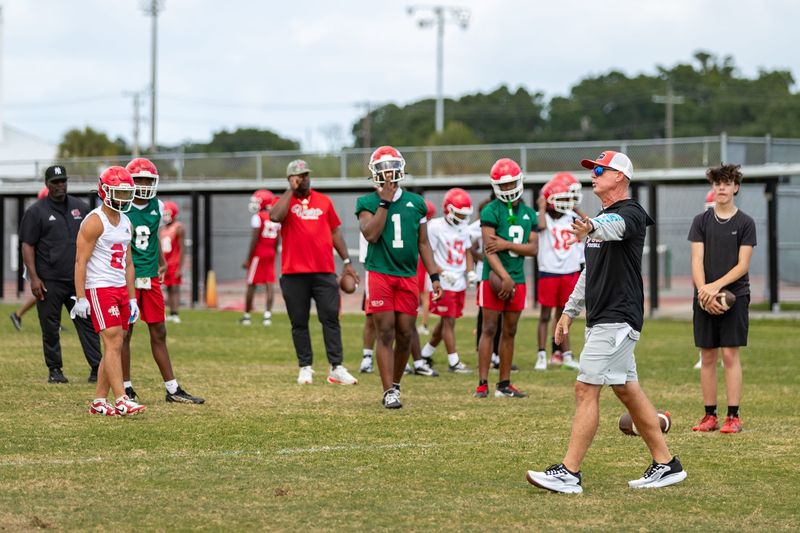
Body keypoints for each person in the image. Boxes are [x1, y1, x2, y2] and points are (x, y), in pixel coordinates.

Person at [526, 150, 686, 493]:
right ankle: (666, 464)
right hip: (603, 318)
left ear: (620, 177)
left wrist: (592, 226)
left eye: (600, 169)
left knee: (585, 388)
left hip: (617, 317)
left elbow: (614, 228)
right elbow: (589, 274)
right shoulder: (599, 220)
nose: (593, 174)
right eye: (593, 170)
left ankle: (569, 472)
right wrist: (568, 312)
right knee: (627, 390)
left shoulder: (630, 213)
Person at [356, 146, 443, 409]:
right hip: (380, 273)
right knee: (385, 332)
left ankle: (395, 384)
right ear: (375, 174)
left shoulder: (417, 204)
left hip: (407, 275)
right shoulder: (367, 202)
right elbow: (370, 234)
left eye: (392, 168)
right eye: (383, 170)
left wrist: (434, 276)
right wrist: (385, 201)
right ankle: (388, 392)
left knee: (405, 334)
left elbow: (424, 244)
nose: (388, 174)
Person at [120, 158, 204, 404]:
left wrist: (162, 262)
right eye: (139, 180)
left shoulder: (157, 205)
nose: (144, 184)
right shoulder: (122, 206)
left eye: (148, 180)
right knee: (125, 334)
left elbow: (153, 238)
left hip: (151, 278)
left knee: (159, 330)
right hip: (129, 278)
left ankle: (172, 388)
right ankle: (126, 387)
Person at [270, 159, 359, 386]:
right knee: (299, 321)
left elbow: (335, 233)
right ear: (291, 179)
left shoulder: (324, 201)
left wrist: (347, 261)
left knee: (330, 318)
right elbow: (275, 217)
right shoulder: (284, 201)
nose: (305, 179)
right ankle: (305, 367)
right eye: (299, 176)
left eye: (307, 175)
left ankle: (336, 367)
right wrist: (291, 190)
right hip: (293, 273)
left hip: (324, 271)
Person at [72, 166, 146, 416]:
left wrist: (133, 297)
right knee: (113, 340)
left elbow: (128, 262)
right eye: (119, 193)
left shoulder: (126, 221)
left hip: (119, 288)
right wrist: (81, 297)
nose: (124, 199)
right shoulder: (95, 221)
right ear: (105, 192)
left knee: (115, 343)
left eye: (127, 194)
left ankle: (98, 401)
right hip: (100, 286)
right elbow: (80, 261)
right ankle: (122, 398)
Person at [689, 164, 756, 434]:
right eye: (717, 184)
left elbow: (743, 266)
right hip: (705, 296)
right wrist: (703, 292)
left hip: (734, 296)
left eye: (727, 184)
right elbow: (696, 260)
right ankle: (709, 416)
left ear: (736, 188)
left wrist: (713, 288)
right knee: (707, 356)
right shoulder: (700, 222)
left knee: (729, 355)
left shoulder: (745, 223)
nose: (721, 188)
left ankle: (733, 416)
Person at [19, 165, 102, 383]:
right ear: (47, 184)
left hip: (77, 279)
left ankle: (97, 368)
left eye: (63, 181)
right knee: (50, 326)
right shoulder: (36, 211)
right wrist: (34, 278)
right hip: (49, 281)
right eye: (55, 182)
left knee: (88, 324)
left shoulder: (81, 207)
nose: (60, 185)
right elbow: (27, 246)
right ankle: (55, 370)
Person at [474, 159, 538, 399]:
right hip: (494, 277)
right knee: (489, 328)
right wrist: (504, 277)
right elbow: (489, 251)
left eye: (512, 181)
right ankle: (482, 383)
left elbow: (533, 249)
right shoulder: (491, 210)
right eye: (504, 183)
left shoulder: (529, 213)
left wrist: (507, 244)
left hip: (518, 278)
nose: (509, 186)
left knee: (510, 331)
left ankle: (504, 383)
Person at [420, 188, 476, 373]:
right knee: (448, 321)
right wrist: (442, 273)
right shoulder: (435, 227)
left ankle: (425, 355)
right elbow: (429, 255)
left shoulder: (463, 227)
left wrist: (470, 272)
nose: (462, 217)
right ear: (449, 209)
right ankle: (454, 362)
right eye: (459, 213)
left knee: (446, 321)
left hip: (458, 280)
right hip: (443, 280)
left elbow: (467, 251)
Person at [534, 173, 586, 371]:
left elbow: (588, 222)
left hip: (569, 271)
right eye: (561, 199)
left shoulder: (571, 217)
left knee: (564, 315)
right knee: (545, 316)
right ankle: (541, 354)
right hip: (549, 271)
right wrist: (541, 206)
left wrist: (574, 206)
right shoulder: (544, 217)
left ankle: (567, 354)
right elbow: (540, 226)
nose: (566, 202)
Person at [10, 187, 51, 331]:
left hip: (45, 262)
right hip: (40, 262)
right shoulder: (36, 215)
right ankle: (17, 314)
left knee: (47, 292)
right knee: (43, 291)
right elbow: (28, 244)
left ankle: (53, 322)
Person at [241, 189, 280, 326]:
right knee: (269, 284)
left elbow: (254, 240)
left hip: (258, 253)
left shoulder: (258, 217)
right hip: (270, 253)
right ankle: (267, 315)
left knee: (251, 284)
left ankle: (246, 315)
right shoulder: (276, 217)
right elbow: (278, 240)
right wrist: (274, 252)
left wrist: (248, 258)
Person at [160, 200, 185, 323]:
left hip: (174, 262)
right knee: (167, 288)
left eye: (167, 213)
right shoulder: (163, 229)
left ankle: (175, 313)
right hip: (165, 262)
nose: (165, 217)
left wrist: (180, 267)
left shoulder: (178, 228)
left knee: (175, 288)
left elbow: (182, 248)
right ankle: (171, 312)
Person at [416, 199, 436, 336]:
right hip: (422, 262)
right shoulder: (431, 225)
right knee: (422, 296)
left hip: (422, 263)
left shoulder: (425, 227)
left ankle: (424, 324)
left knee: (423, 296)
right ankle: (422, 324)